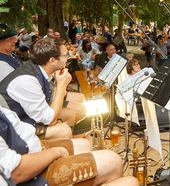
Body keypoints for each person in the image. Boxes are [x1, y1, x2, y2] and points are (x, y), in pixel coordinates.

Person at [0, 106, 138, 186]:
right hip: (31, 176)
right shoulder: (25, 78)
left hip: (30, 148)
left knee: (85, 144)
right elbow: (16, 171)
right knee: (113, 161)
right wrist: (55, 152)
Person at [0, 38, 86, 139]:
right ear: (52, 60)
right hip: (16, 127)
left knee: (77, 110)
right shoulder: (27, 80)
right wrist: (61, 86)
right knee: (64, 130)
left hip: (30, 114)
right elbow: (50, 119)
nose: (68, 57)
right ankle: (64, 146)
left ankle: (71, 141)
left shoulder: (41, 67)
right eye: (66, 55)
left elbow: (49, 96)